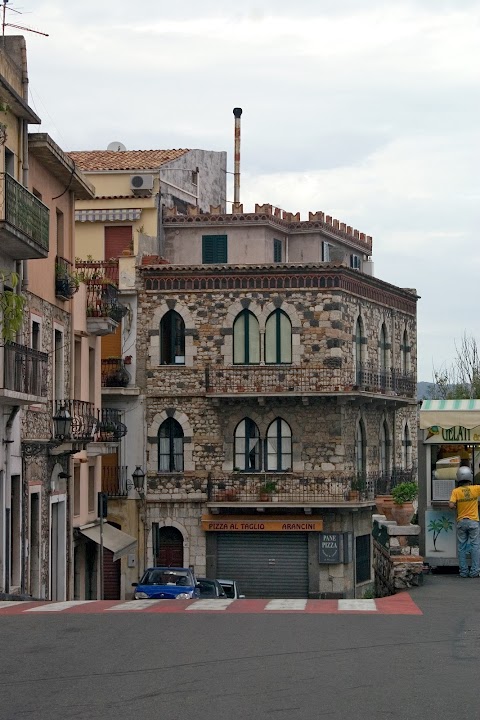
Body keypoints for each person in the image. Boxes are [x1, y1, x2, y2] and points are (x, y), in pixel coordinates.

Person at [449, 466, 480, 578]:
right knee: (475, 546)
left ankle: (463, 572)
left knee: (461, 547)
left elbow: (451, 505)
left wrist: (457, 506)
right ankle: (475, 571)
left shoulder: (456, 491)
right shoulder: (476, 488)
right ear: (470, 477)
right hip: (473, 522)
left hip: (461, 521)